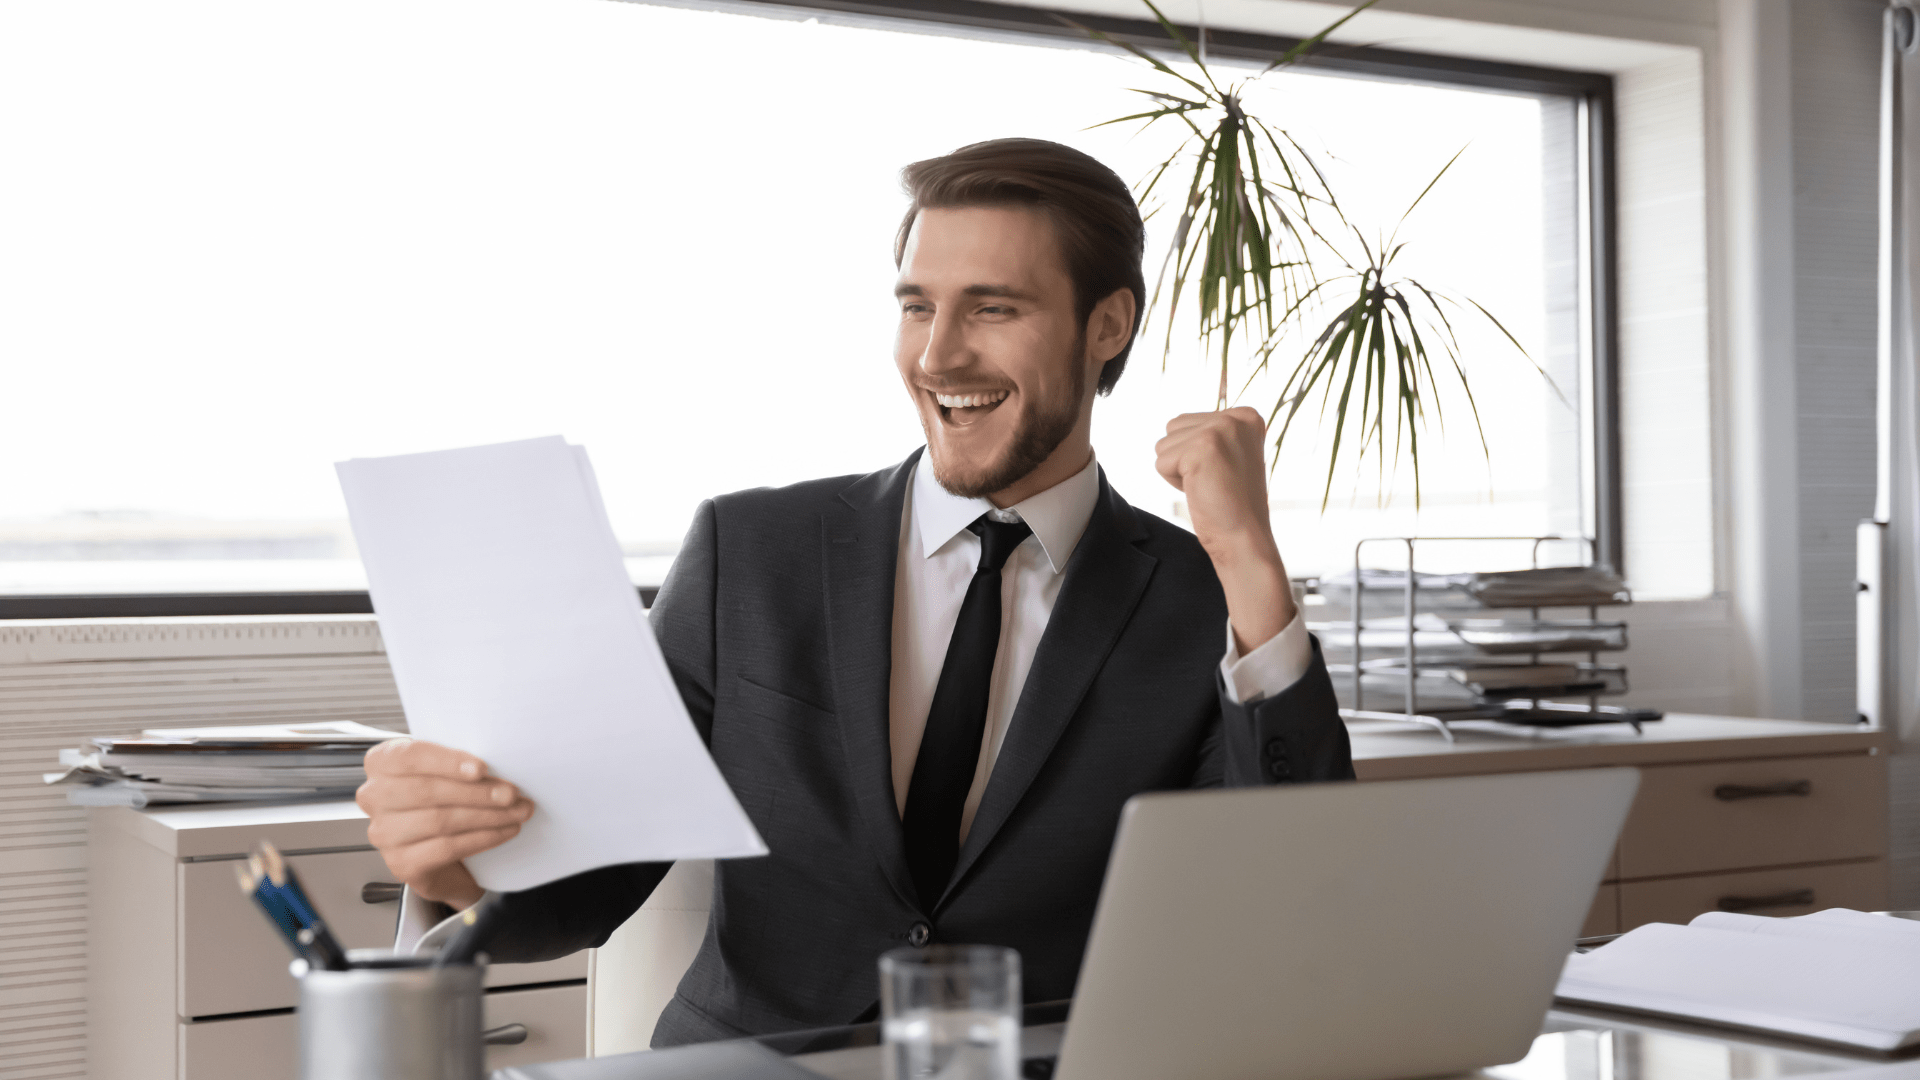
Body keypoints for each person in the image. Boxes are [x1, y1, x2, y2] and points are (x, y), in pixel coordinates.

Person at [356, 137, 1354, 1047]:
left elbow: (1291, 907)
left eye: (992, 308)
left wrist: (1248, 561)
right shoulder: (751, 552)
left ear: (1107, 325)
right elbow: (589, 884)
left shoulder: (1198, 602)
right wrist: (457, 866)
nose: (936, 355)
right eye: (918, 305)